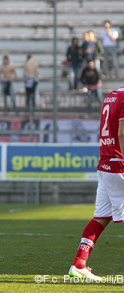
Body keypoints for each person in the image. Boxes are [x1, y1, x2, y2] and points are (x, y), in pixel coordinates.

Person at [68, 85, 124, 281]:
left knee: (101, 217)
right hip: (119, 164)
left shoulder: (111, 96)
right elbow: (122, 133)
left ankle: (79, 264)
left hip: (105, 164)